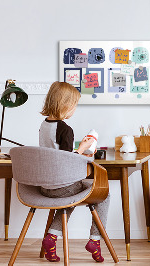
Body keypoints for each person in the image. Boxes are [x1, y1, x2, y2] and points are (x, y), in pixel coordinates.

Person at [39, 81, 109, 263]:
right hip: (62, 186)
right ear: (65, 105)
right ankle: (95, 240)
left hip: (45, 186)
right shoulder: (65, 129)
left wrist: (78, 149)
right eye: (75, 105)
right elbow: (66, 161)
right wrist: (83, 149)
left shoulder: (44, 125)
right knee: (104, 194)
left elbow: (56, 154)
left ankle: (51, 238)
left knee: (69, 198)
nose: (75, 109)